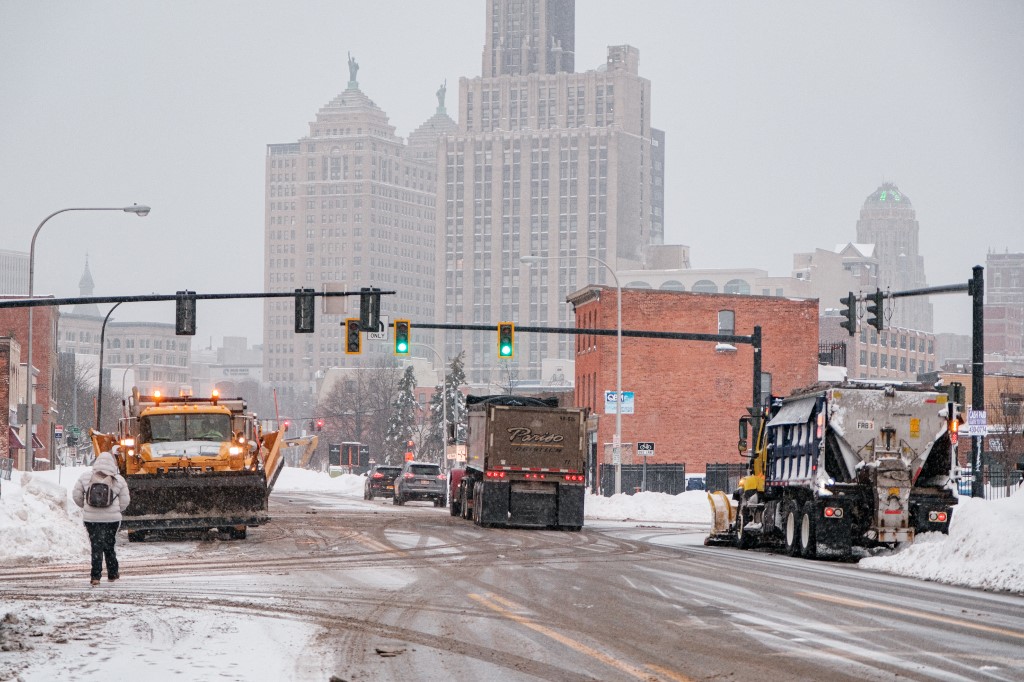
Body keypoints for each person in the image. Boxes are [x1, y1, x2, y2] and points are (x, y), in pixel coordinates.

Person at [72, 450, 130, 586]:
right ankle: (112, 573)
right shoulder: (119, 479)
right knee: (109, 544)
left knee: (96, 546)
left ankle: (95, 576)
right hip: (112, 520)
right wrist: (115, 510)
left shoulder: (86, 477)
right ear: (113, 464)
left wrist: (87, 506)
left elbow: (76, 496)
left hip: (91, 519)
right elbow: (125, 501)